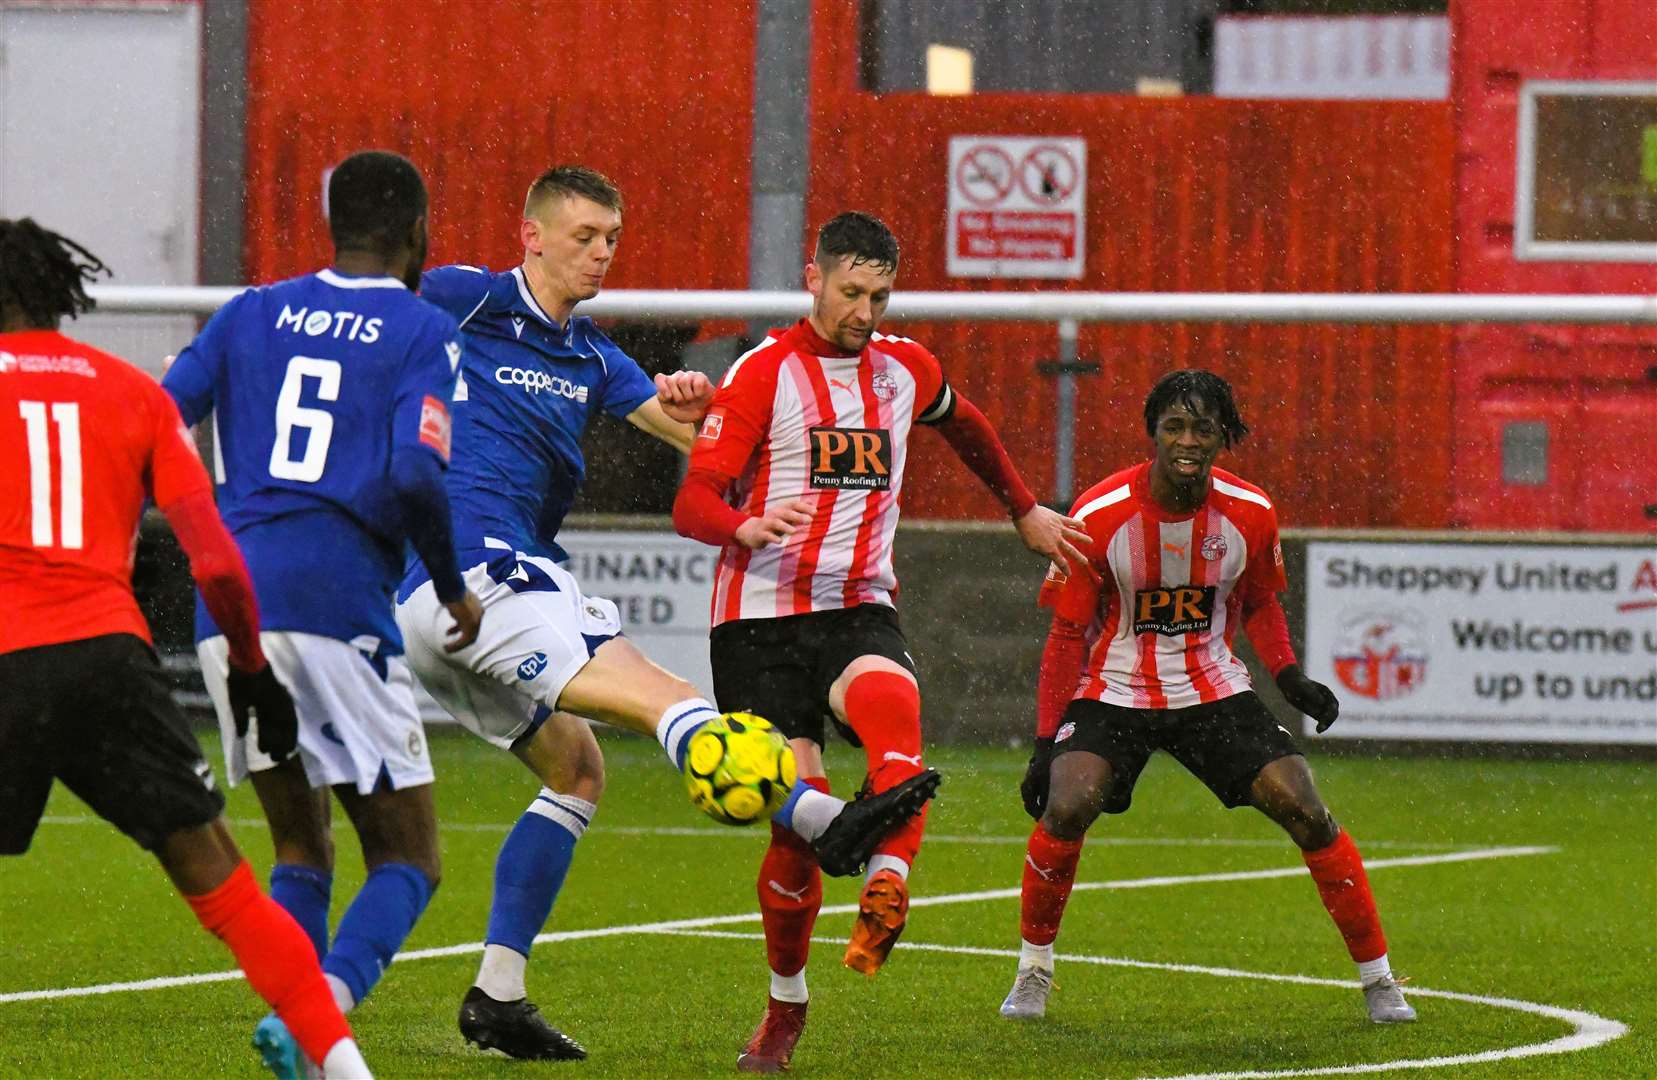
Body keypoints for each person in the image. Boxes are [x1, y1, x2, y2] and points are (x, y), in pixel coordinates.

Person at [394, 166, 939, 1061]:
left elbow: (705, 439)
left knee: (575, 772)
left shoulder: (593, 358)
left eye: (611, 237)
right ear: (530, 235)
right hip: (480, 571)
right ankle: (822, 824)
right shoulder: (467, 299)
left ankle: (497, 994)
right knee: (669, 699)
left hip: (450, 605)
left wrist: (700, 410)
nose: (601, 253)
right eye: (582, 236)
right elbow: (352, 304)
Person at [672, 210, 1094, 1072]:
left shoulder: (904, 369)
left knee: (897, 723)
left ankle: (883, 886)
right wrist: (743, 524)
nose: (864, 310)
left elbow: (967, 423)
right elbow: (693, 501)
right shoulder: (762, 374)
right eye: (851, 291)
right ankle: (784, 1009)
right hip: (756, 620)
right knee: (792, 832)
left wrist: (1022, 508)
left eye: (880, 293)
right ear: (814, 279)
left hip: (858, 605)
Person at [0, 218, 373, 1078]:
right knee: (228, 887)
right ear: (60, 296)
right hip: (107, 659)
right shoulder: (133, 393)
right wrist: (249, 668)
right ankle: (347, 1071)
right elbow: (216, 563)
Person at [161, 151, 484, 1079]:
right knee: (410, 859)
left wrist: (194, 524)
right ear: (419, 231)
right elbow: (418, 470)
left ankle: (299, 1033)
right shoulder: (422, 328)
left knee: (300, 845)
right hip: (337, 601)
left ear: (330, 226)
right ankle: (322, 1013)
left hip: (233, 608)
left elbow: (159, 416)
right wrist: (451, 583)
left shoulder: (250, 311)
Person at [1000, 368, 1416, 1025]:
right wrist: (1045, 743)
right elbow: (1066, 636)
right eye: (1174, 426)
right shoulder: (1098, 515)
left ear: (1223, 436)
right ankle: (1032, 972)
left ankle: (1379, 981)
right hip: (1115, 689)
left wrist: (1287, 678)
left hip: (1211, 688)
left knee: (1305, 810)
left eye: (1201, 428)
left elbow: (1258, 604)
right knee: (1066, 805)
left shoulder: (1250, 512)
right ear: (1152, 434)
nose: (1186, 440)